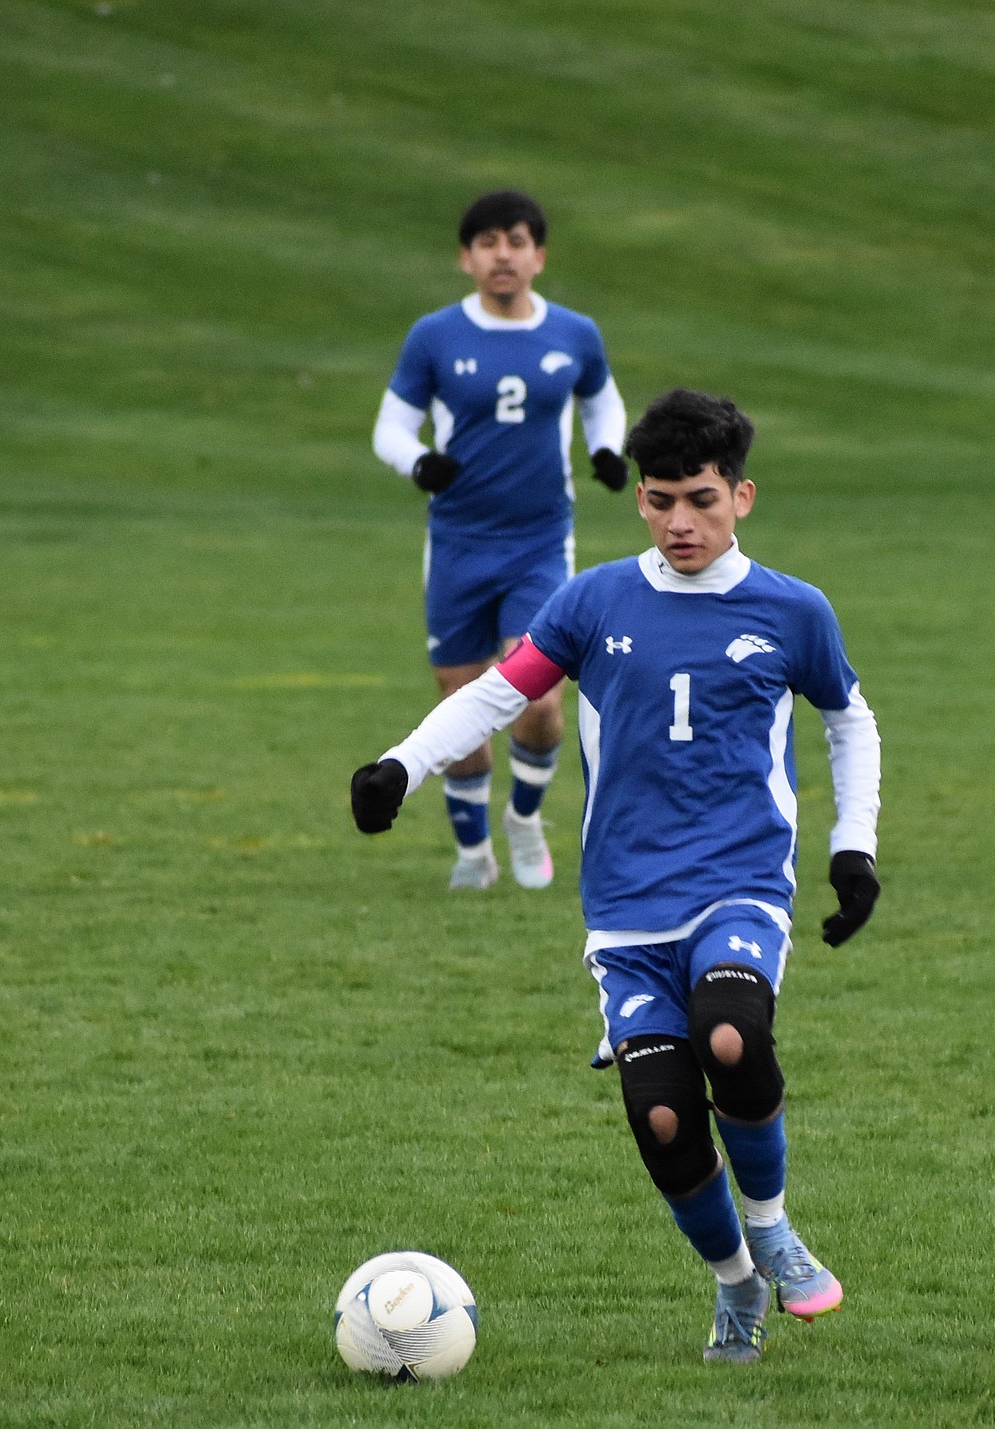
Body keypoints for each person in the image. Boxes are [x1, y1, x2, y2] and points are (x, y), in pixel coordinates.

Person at [351, 388, 882, 1363]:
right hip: (629, 909)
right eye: (661, 499)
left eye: (703, 500)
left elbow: (850, 719)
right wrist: (401, 765)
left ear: (743, 497)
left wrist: (855, 846)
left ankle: (770, 1227)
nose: (682, 521)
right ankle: (734, 1287)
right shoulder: (594, 601)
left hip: (740, 882)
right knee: (666, 1115)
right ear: (639, 497)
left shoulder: (792, 609)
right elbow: (494, 699)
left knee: (731, 1033)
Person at [371, 189, 627, 892]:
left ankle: (525, 816)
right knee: (459, 702)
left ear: (539, 256)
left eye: (516, 240)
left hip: (541, 541)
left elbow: (602, 398)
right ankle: (472, 852)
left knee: (539, 694)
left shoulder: (574, 333)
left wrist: (607, 449)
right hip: (457, 542)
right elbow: (390, 426)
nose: (502, 254)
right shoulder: (435, 336)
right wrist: (418, 460)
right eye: (486, 242)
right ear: (465, 258)